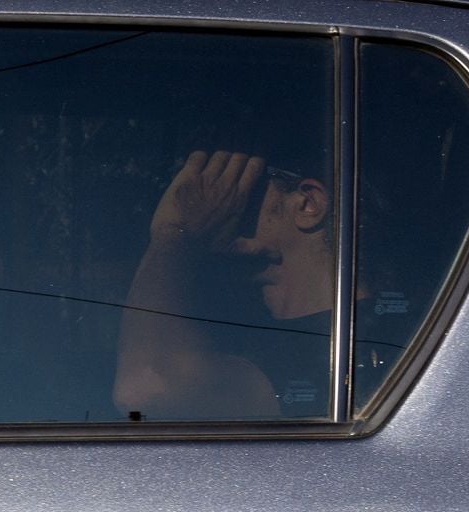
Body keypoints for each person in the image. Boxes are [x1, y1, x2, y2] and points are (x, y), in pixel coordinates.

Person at [113, 150, 337, 420]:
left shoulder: (335, 352)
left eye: (226, 180)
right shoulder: (249, 333)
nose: (202, 198)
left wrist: (174, 232)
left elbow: (143, 392)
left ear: (308, 203)